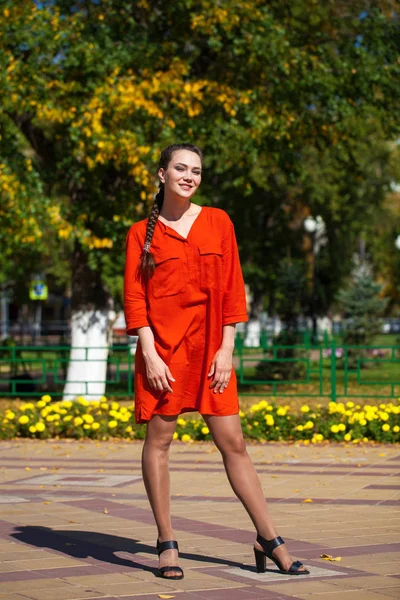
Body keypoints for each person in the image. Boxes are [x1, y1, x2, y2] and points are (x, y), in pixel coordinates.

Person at [124, 143, 309, 580]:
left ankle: (269, 538)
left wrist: (226, 348)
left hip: (211, 352)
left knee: (234, 444)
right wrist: (149, 352)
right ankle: (166, 542)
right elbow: (135, 297)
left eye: (197, 170)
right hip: (164, 353)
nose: (189, 176)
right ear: (162, 174)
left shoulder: (218, 221)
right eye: (181, 168)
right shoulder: (141, 234)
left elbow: (232, 288)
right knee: (160, 444)